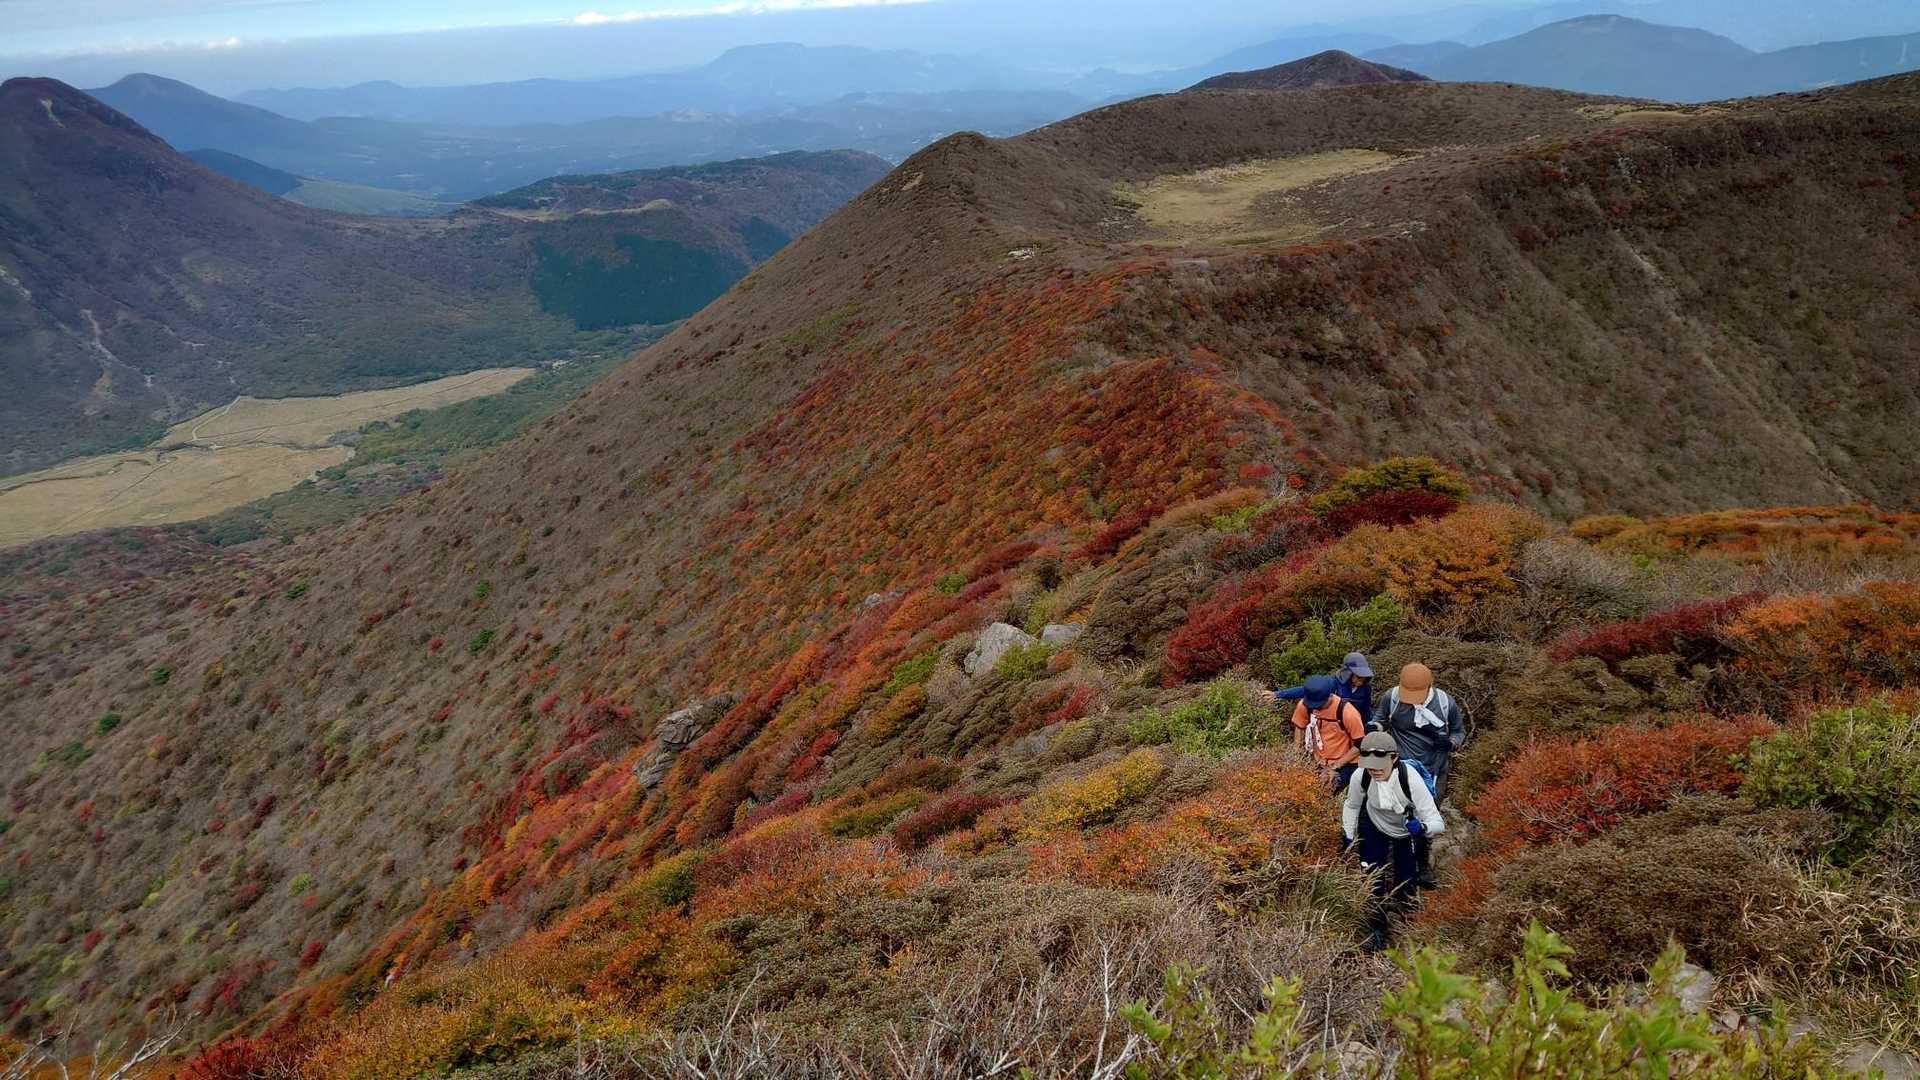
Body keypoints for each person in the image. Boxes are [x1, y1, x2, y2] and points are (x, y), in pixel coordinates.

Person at [1342, 730, 1445, 952]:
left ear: (1394, 758)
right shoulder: (1361, 776)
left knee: (1406, 879)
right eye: (1371, 767)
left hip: (1406, 831)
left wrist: (1423, 828)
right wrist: (1348, 834)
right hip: (1374, 823)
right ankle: (1375, 927)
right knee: (1371, 877)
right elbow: (1352, 805)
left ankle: (1405, 923)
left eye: (1380, 766)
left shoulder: (1411, 780)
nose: (1375, 771)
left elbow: (1437, 822)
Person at [1370, 662, 1466, 887]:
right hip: (1400, 769)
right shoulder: (1392, 698)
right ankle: (1393, 868)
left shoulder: (1445, 703)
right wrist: (1374, 728)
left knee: (1426, 818)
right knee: (1393, 814)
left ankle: (1421, 866)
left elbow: (1459, 731)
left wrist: (1450, 743)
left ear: (1430, 685)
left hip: (1434, 771)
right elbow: (1381, 720)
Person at [1289, 674, 1368, 795]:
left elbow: (1360, 745)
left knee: (1325, 790)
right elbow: (1299, 726)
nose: (1316, 708)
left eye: (1320, 704)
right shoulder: (1306, 705)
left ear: (1330, 696)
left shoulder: (1348, 712)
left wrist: (1335, 766)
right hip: (1318, 761)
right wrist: (1296, 756)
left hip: (1346, 763)